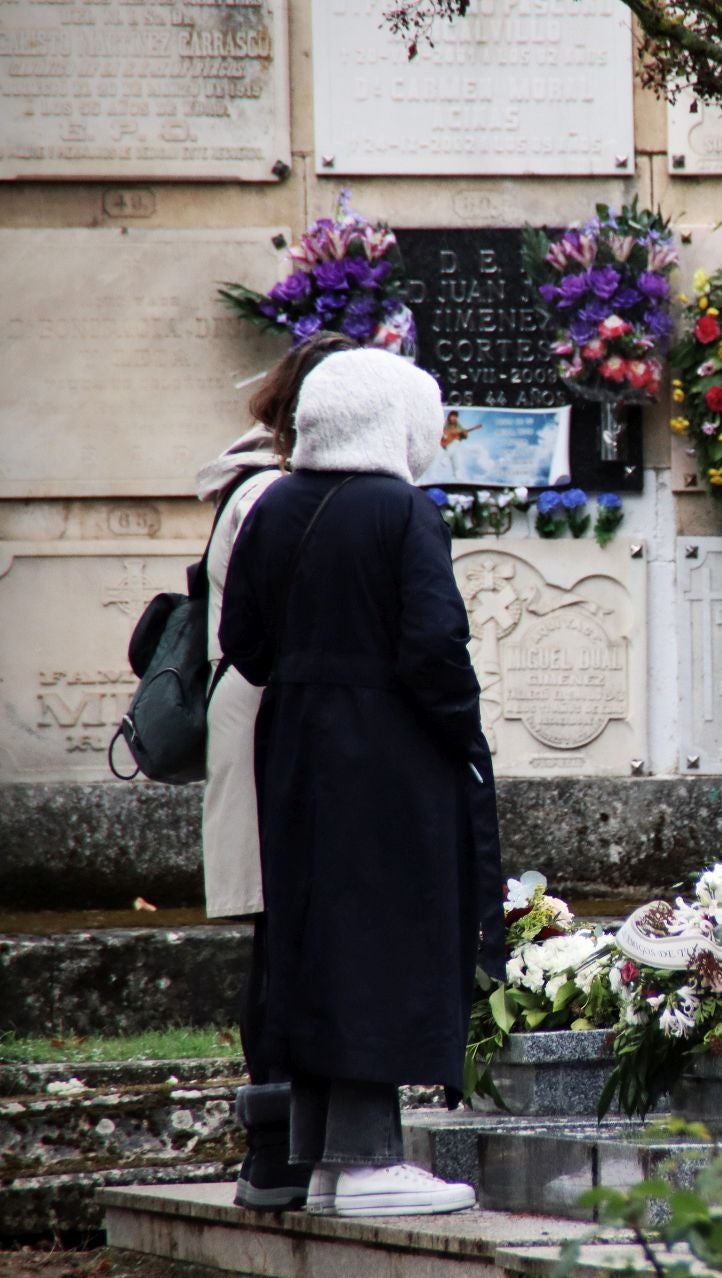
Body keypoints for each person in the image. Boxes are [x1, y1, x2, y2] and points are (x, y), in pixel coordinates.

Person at [220, 349, 503, 1218]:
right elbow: (433, 643)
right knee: (383, 932)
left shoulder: (273, 507)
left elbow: (245, 641)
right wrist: (464, 730)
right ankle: (369, 1159)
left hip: (296, 744)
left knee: (314, 933)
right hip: (386, 749)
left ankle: (321, 1156)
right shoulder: (403, 511)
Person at [194, 330, 356, 1212]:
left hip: (265, 712)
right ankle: (275, 1146)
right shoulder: (270, 495)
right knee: (280, 935)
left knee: (285, 930)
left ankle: (291, 1144)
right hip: (267, 714)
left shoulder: (262, 485)